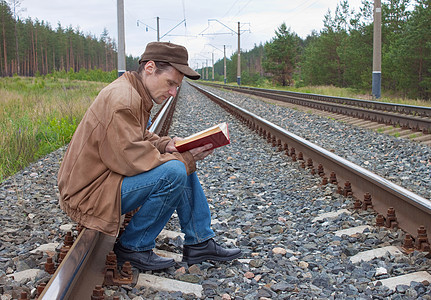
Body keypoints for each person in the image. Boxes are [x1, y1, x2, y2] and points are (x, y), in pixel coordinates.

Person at [57, 42, 241, 271]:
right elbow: (130, 159)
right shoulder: (123, 99)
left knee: (179, 161)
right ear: (150, 68)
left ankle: (200, 241)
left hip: (103, 180)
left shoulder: (133, 91)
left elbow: (138, 136)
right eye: (171, 83)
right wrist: (183, 159)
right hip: (89, 192)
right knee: (175, 170)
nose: (173, 92)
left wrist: (170, 145)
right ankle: (134, 247)